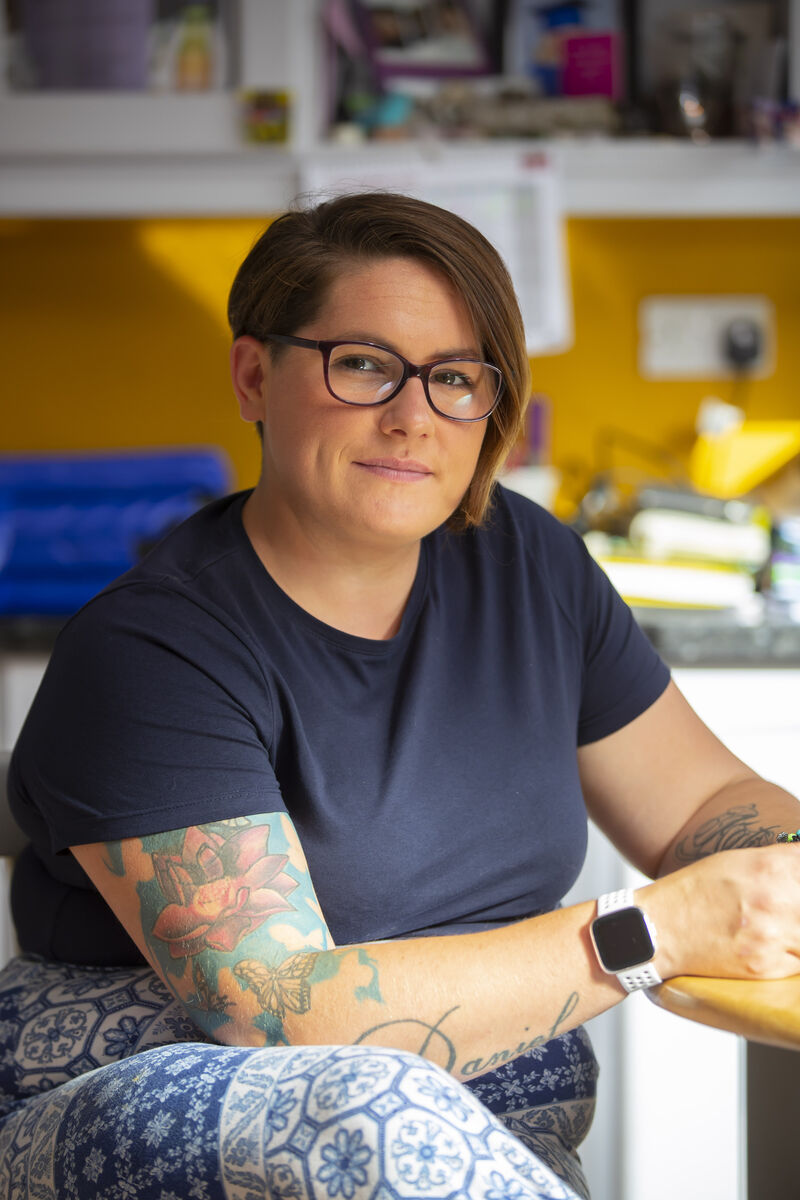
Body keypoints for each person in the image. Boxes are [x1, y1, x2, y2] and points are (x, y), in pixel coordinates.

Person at [2, 191, 799, 1200]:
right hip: (150, 1114)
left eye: (455, 378)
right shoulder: (152, 649)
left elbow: (695, 807)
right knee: (376, 1110)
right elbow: (279, 1014)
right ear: (255, 375)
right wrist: (654, 931)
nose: (413, 415)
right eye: (365, 364)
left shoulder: (528, 567)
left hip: (472, 1140)